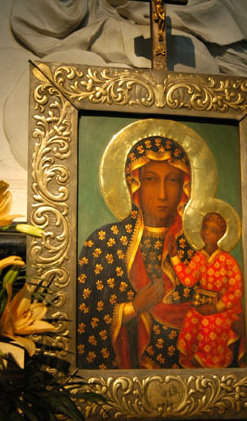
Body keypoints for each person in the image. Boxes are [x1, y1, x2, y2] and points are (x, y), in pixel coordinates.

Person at [77, 135, 197, 370]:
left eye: (172, 180)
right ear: (135, 184)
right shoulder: (104, 245)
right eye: (151, 180)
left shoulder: (192, 255)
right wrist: (132, 308)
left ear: (184, 188)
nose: (162, 194)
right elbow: (83, 319)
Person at [168, 212, 244, 368]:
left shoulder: (227, 260)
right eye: (205, 228)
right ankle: (192, 360)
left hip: (226, 309)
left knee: (211, 322)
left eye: (213, 230)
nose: (207, 233)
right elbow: (188, 280)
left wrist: (216, 307)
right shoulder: (199, 257)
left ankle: (209, 361)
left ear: (221, 235)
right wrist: (174, 256)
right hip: (205, 305)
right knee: (191, 316)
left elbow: (236, 291)